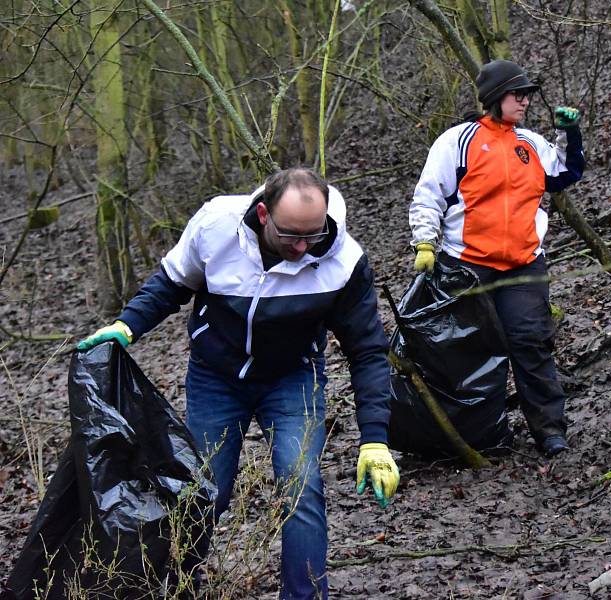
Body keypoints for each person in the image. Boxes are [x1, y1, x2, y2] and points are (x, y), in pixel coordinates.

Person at [78, 168, 400, 599]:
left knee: (300, 487)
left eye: (313, 235)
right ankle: (174, 585)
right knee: (203, 492)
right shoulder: (216, 227)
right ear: (264, 214)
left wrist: (374, 439)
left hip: (292, 380)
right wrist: (126, 326)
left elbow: (366, 349)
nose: (303, 248)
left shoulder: (343, 261)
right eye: (291, 237)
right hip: (216, 377)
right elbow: (171, 285)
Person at [408, 59, 585, 458]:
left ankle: (549, 430)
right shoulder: (458, 141)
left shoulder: (532, 143)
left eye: (527, 95)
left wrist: (569, 132)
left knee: (531, 342)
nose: (524, 101)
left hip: (524, 262)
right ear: (494, 98)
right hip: (467, 264)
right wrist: (425, 243)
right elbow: (429, 194)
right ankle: (476, 435)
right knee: (469, 350)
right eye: (516, 94)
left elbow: (566, 173)